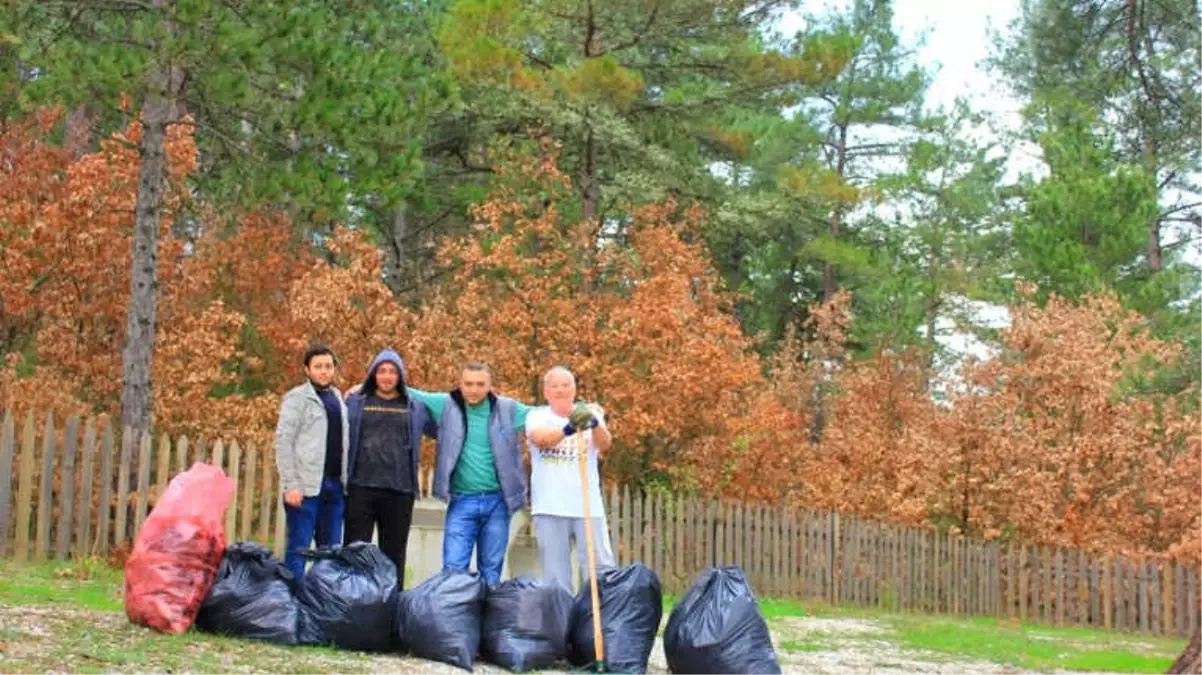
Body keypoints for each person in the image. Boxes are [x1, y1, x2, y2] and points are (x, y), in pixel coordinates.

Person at [406, 363, 532, 587]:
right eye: (469, 384)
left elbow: (545, 414)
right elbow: (410, 392)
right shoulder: (446, 404)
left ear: (490, 386)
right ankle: (453, 618)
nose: (474, 389)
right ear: (460, 384)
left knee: (491, 570)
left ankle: (486, 618)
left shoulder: (508, 409)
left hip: (498, 502)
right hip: (462, 500)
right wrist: (363, 387)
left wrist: (581, 408)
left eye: (480, 384)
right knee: (453, 568)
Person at [342, 348, 434, 587]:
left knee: (394, 555)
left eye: (393, 372)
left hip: (399, 490)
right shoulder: (355, 403)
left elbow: (444, 424)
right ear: (373, 374)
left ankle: (391, 607)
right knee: (355, 552)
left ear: (400, 376)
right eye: (382, 371)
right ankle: (353, 602)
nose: (387, 376)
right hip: (361, 487)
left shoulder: (415, 407)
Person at [526, 366, 616, 591]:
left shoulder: (591, 412)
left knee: (600, 569)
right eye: (554, 386)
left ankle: (600, 620)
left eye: (566, 385)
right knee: (556, 576)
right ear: (546, 392)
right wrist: (568, 429)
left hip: (587, 507)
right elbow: (541, 439)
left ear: (574, 389)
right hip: (550, 506)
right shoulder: (537, 416)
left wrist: (594, 424)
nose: (560, 390)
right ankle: (561, 621)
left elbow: (604, 444)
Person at [273, 342, 350, 582]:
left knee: (330, 551)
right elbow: (284, 442)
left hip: (335, 486)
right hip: (305, 488)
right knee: (299, 547)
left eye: (328, 366)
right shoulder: (297, 399)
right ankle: (293, 598)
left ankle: (322, 602)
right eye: (318, 366)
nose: (324, 371)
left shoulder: (338, 397)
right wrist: (291, 484)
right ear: (307, 370)